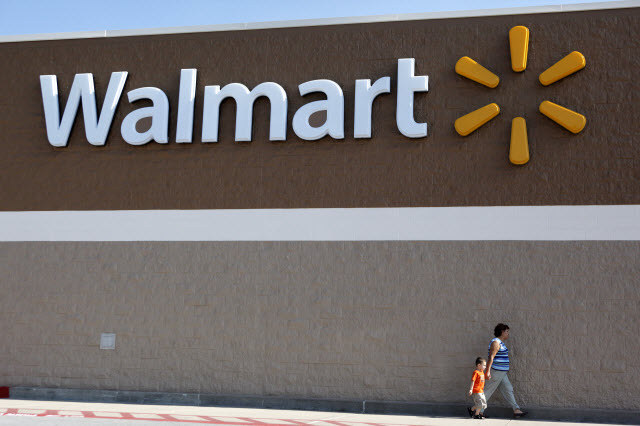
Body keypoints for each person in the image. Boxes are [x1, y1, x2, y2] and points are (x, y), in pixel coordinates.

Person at [483, 323, 528, 418]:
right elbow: (491, 357)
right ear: (502, 332)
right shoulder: (496, 342)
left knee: (508, 389)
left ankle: (516, 410)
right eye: (507, 331)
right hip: (496, 372)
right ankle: (477, 410)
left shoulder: (501, 343)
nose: (508, 334)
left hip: (502, 373)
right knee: (488, 391)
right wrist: (487, 371)